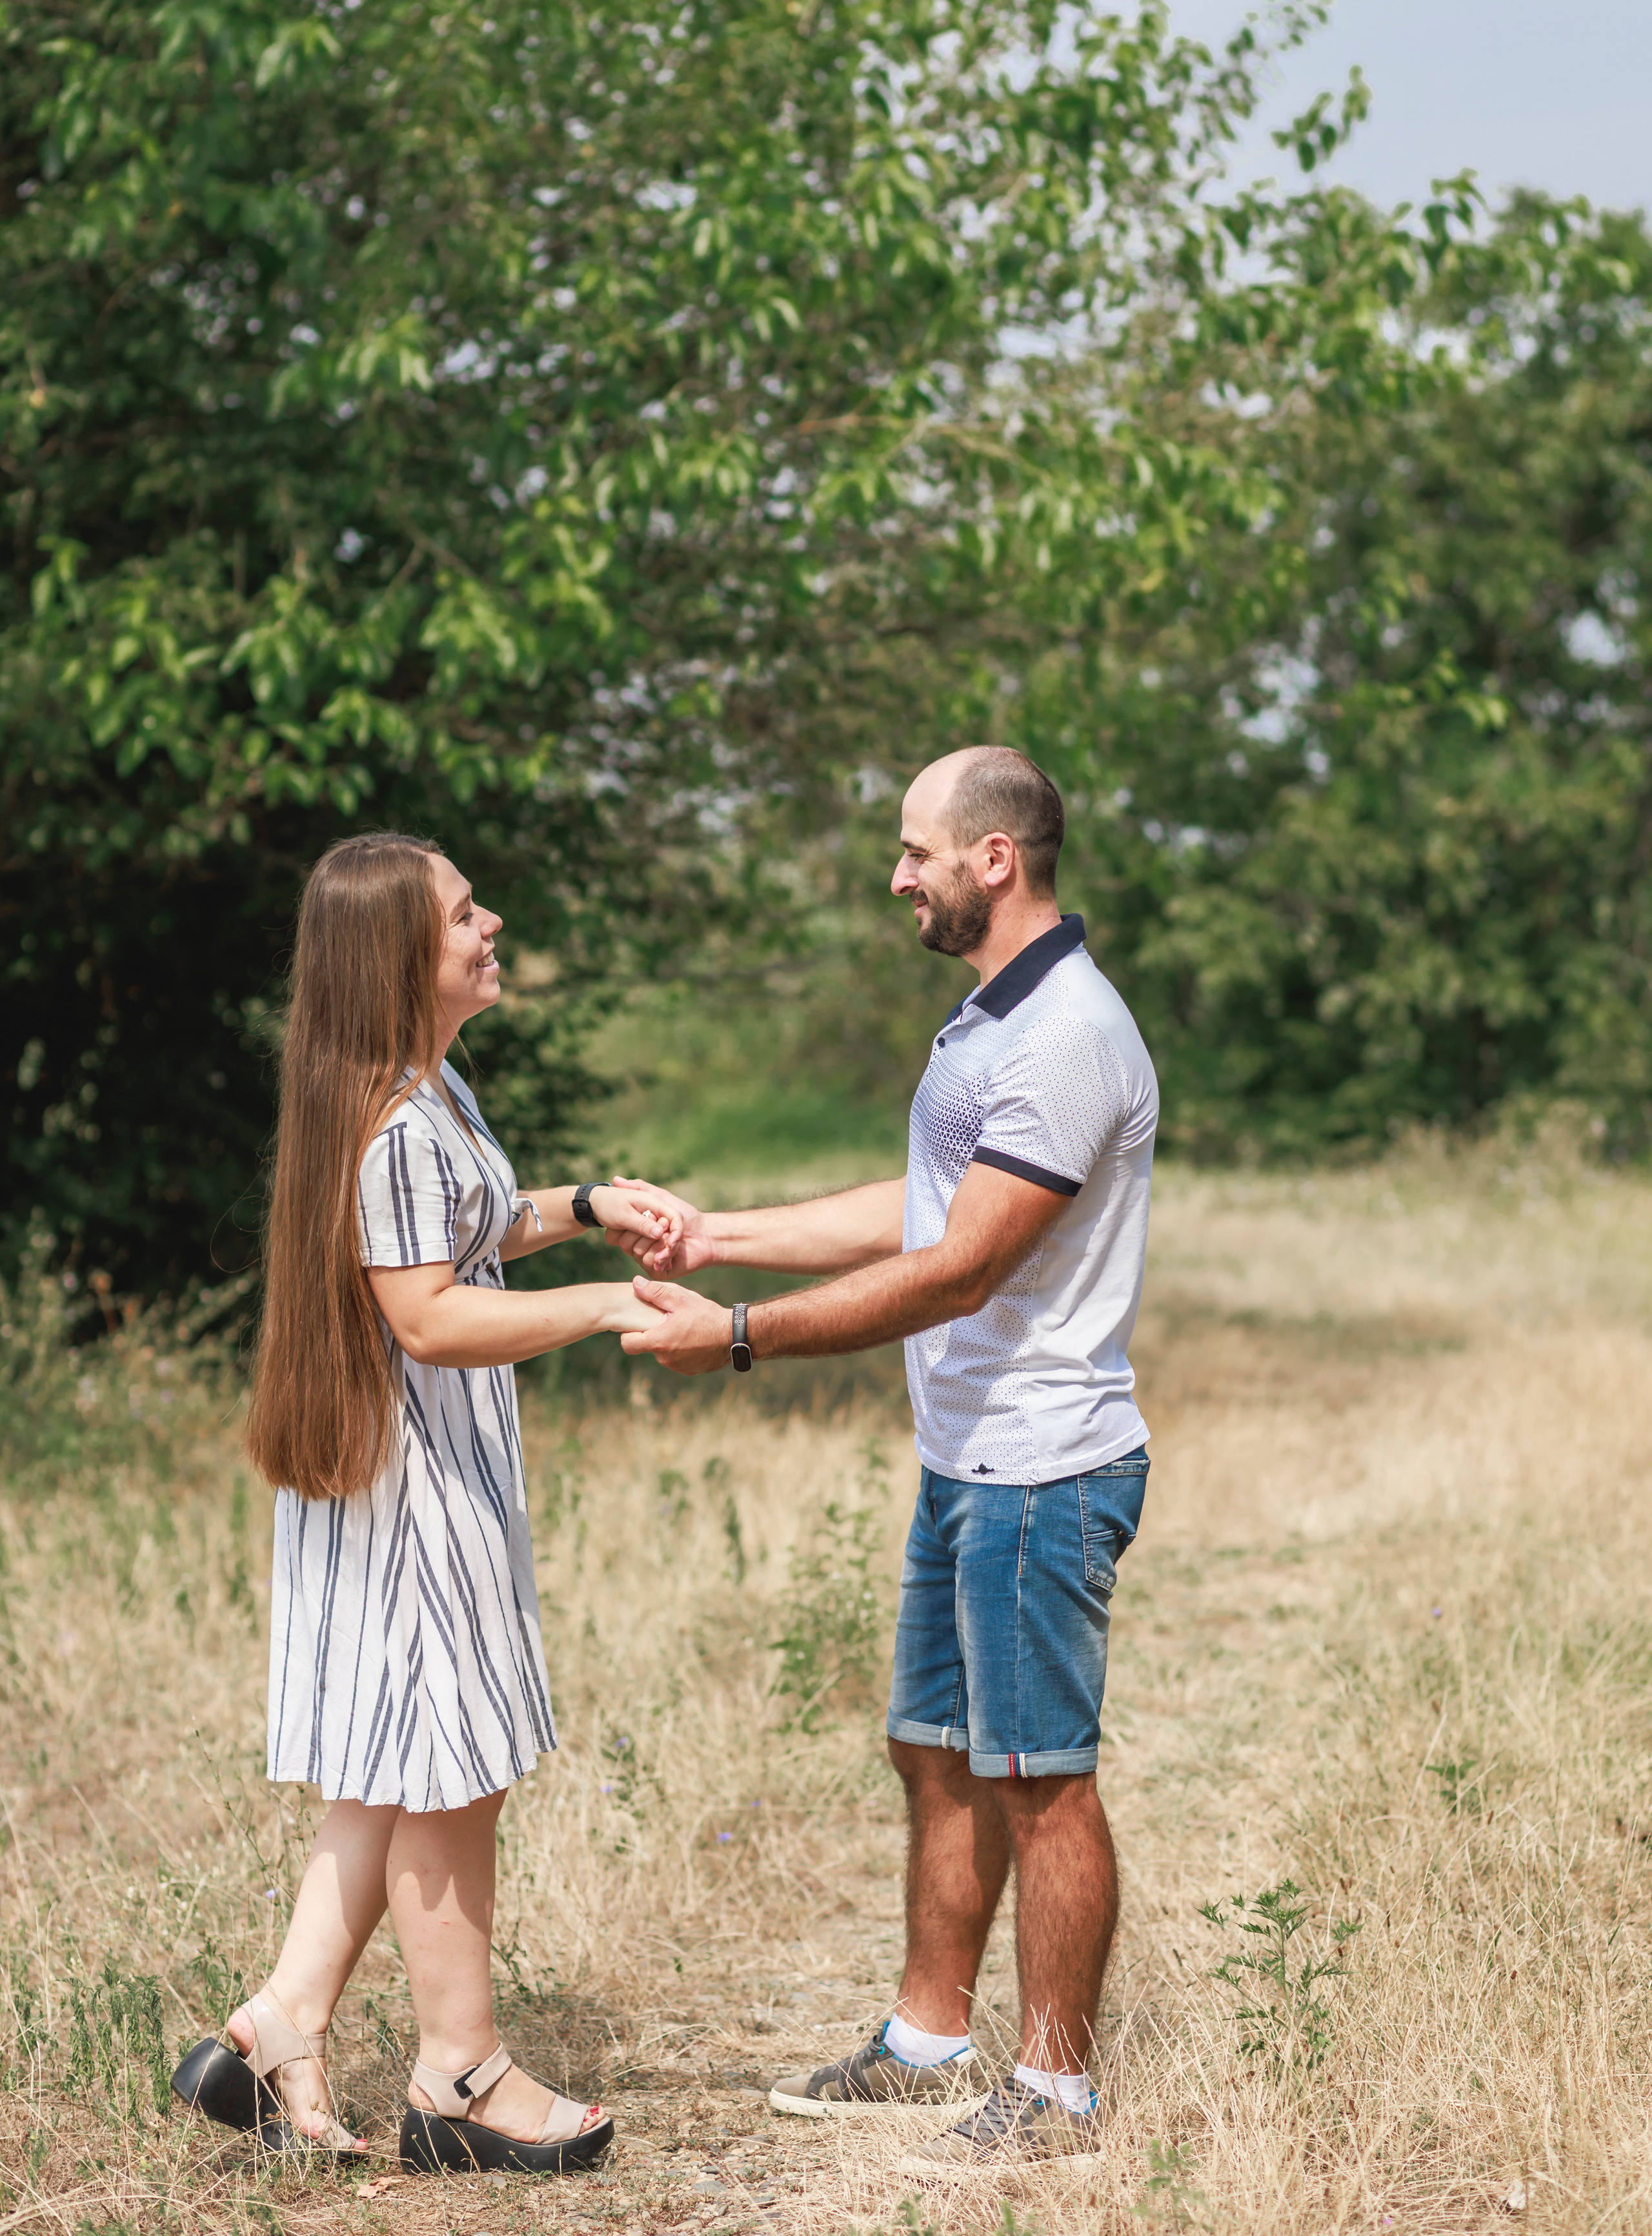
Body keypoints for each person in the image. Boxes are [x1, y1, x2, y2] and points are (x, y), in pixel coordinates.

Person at [607, 747, 1156, 2173]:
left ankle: (1055, 2094)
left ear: (994, 860)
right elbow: (917, 1205)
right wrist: (720, 1233)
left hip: (1041, 1469)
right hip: (964, 1457)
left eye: (915, 851)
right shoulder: (987, 1020)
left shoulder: (1067, 1037)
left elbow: (958, 1270)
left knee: (1040, 1779)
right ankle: (926, 2046)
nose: (894, 875)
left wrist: (737, 1337)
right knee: (932, 1752)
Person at [171, 832, 673, 2173]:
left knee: (392, 1780)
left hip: (414, 1481)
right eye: (464, 914)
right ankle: (459, 2074)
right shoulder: (393, 1119)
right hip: (415, 1500)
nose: (490, 921)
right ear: (401, 953)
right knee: (453, 1777)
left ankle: (277, 2026)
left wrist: (583, 1206)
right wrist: (613, 1303)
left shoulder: (418, 1085)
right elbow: (430, 1317)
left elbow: (468, 1227)